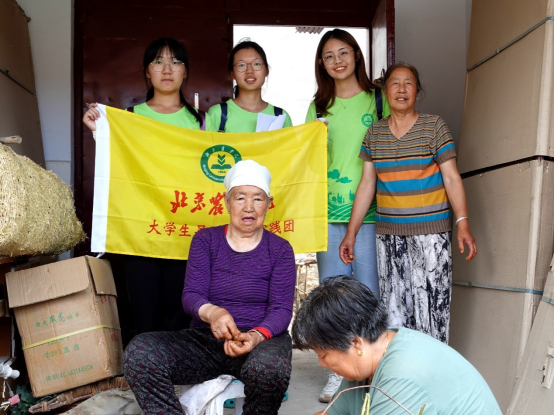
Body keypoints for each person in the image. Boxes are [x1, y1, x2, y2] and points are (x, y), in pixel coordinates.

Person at [123, 160, 296, 415]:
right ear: (226, 202)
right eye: (240, 198)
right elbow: (191, 295)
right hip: (206, 341)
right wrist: (214, 313)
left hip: (260, 342)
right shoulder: (206, 240)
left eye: (258, 199)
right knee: (140, 352)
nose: (249, 207)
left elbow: (281, 309)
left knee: (270, 370)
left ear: (269, 204)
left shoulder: (280, 249)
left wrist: (255, 336)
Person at [339, 63, 477, 344]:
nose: (401, 89)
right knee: (395, 315)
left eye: (409, 83)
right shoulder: (375, 134)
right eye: (395, 83)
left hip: (432, 237)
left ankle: (433, 368)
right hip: (389, 238)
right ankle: (402, 369)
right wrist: (351, 233)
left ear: (417, 90)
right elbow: (367, 185)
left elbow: (451, 177)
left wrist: (463, 223)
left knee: (433, 313)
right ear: (384, 90)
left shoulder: (434, 126)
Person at [82, 38, 204, 334]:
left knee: (180, 318)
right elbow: (117, 163)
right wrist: (100, 131)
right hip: (141, 232)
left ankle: (175, 365)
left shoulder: (202, 123)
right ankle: (145, 364)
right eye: (158, 62)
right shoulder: (129, 118)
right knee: (144, 316)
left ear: (185, 72)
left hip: (184, 233)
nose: (167, 69)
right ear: (147, 72)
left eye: (175, 62)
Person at [306, 28, 390, 403]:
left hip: (372, 212)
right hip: (327, 212)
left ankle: (372, 371)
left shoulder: (377, 99)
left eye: (343, 52)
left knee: (369, 293)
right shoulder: (317, 107)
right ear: (321, 64)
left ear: (357, 55)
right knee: (333, 292)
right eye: (329, 56)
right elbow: (306, 159)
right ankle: (339, 373)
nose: (337, 61)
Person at [292, 276, 502, 415]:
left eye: (324, 354)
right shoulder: (366, 361)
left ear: (355, 343)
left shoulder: (402, 374)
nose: (322, 364)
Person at [206, 40, 293, 133]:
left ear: (266, 71)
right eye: (241, 65)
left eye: (256, 64)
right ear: (232, 74)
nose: (249, 71)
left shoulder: (280, 116)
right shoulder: (218, 114)